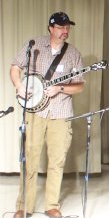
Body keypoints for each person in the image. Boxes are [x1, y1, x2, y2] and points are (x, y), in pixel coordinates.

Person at [10, 12, 85, 218]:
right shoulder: (33, 45)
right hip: (34, 112)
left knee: (57, 160)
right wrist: (19, 87)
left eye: (68, 27)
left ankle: (52, 205)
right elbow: (15, 67)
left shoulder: (73, 54)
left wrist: (61, 88)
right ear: (51, 28)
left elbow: (79, 86)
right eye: (61, 27)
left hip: (60, 113)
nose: (65, 31)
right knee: (29, 159)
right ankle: (24, 205)